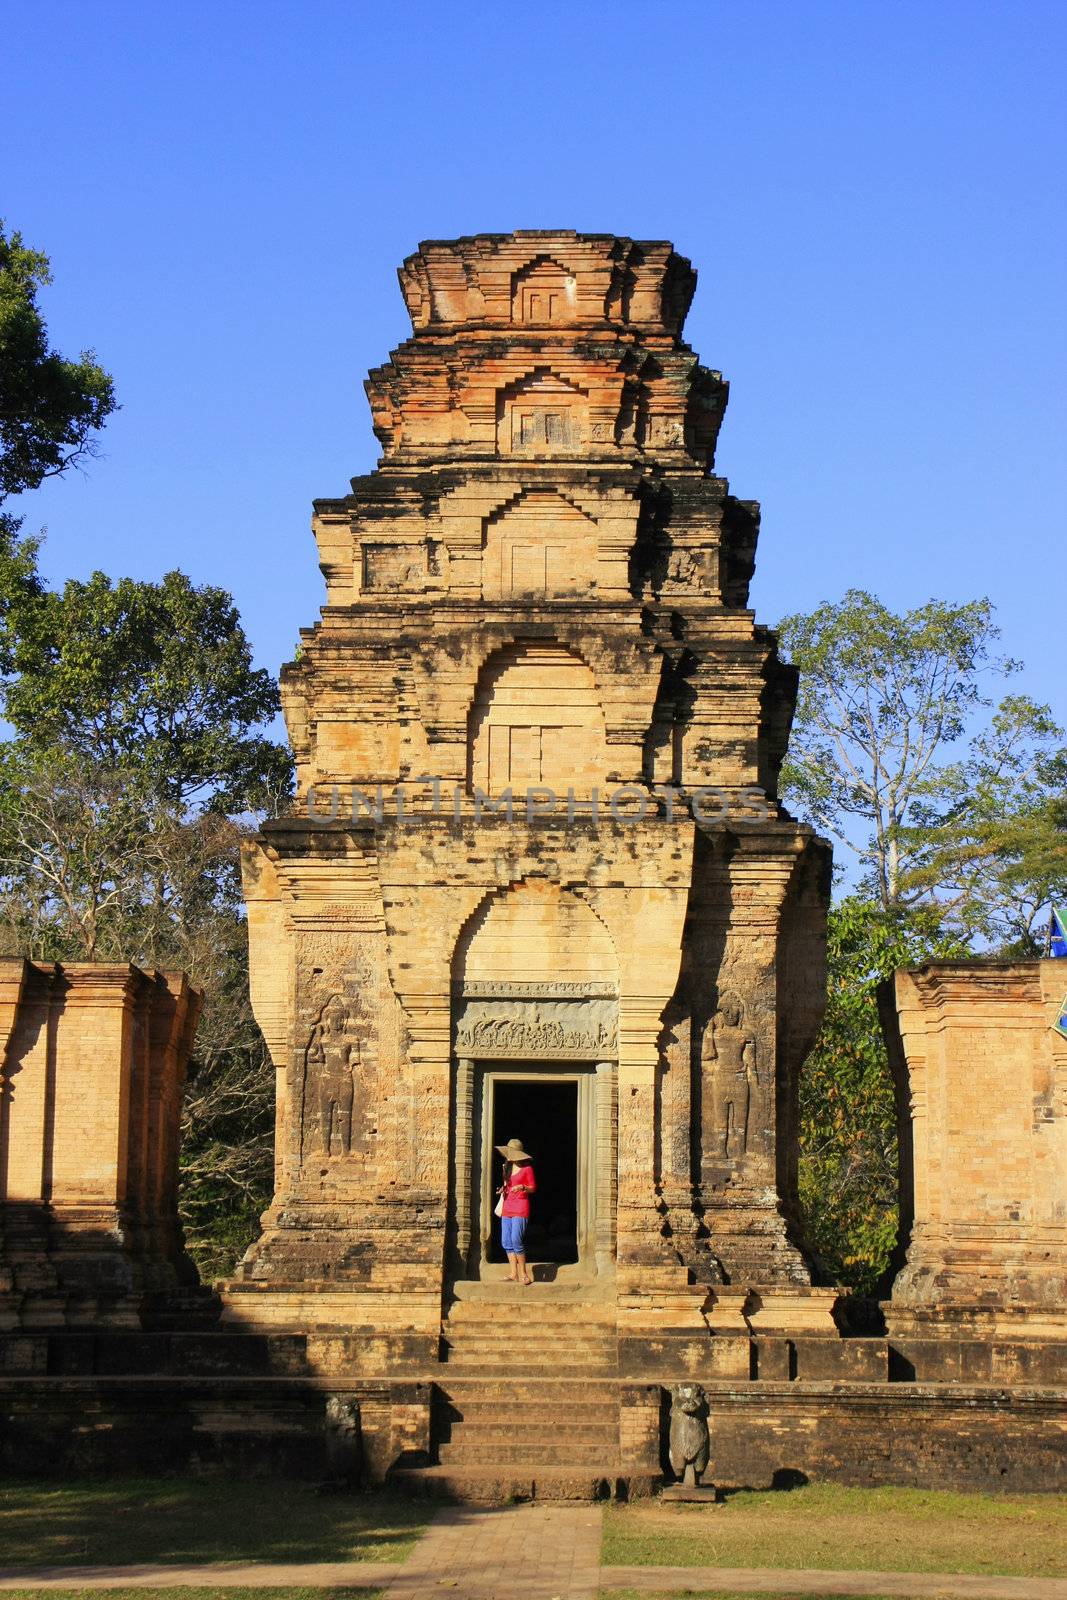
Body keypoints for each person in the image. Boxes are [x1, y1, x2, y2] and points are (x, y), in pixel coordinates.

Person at [496, 1137, 536, 1286]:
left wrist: (523, 1187)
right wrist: (502, 1189)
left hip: (521, 1207)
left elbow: (533, 1188)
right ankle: (513, 1273)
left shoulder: (527, 1169)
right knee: (506, 1241)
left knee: (516, 1240)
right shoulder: (506, 1168)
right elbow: (506, 1186)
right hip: (507, 1206)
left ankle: (523, 1274)